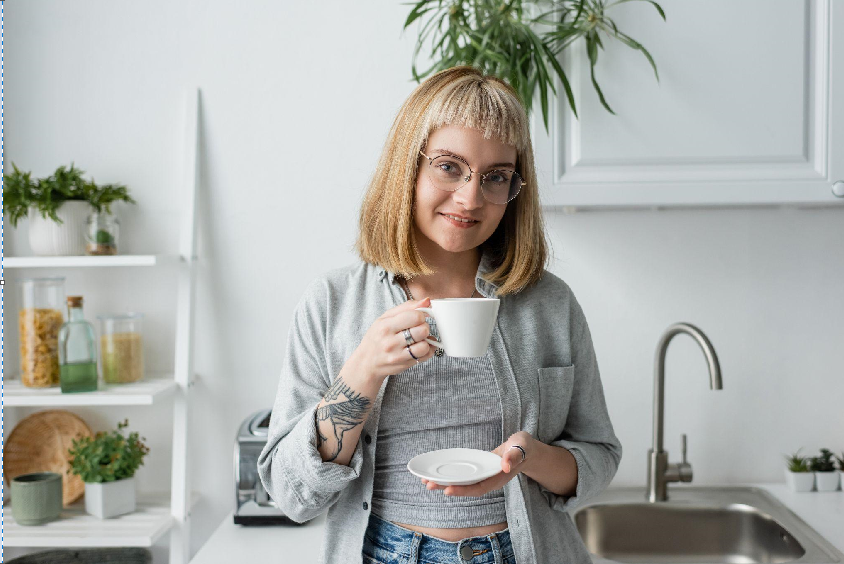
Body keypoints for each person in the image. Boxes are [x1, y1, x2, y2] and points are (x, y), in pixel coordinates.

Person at [257, 66, 622, 564]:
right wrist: (360, 374)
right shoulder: (332, 302)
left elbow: (598, 454)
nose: (471, 198)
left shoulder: (549, 303)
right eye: (449, 166)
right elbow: (291, 494)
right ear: (407, 165)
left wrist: (527, 458)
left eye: (496, 177)